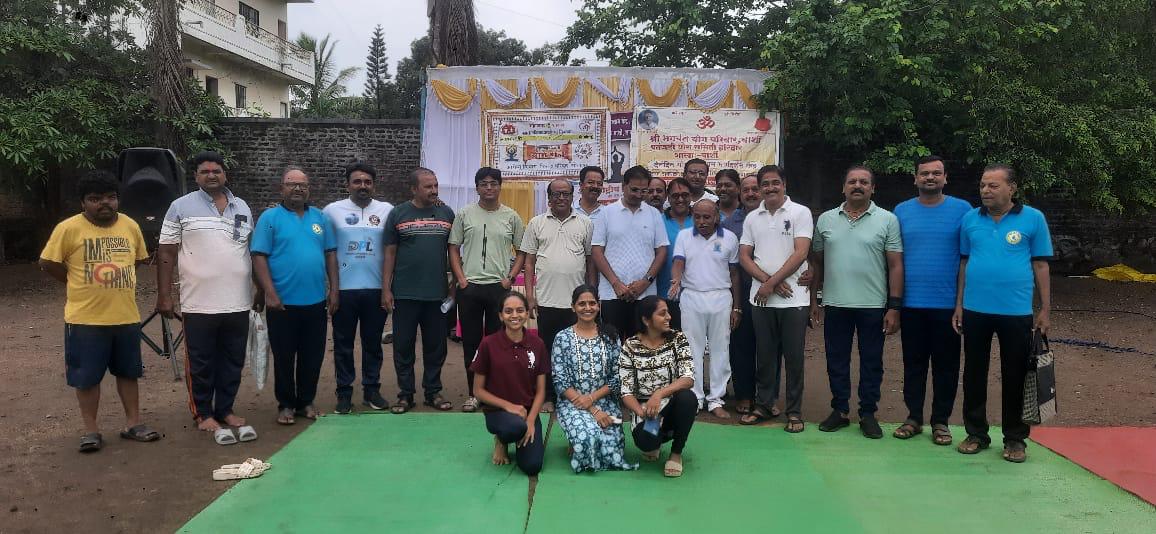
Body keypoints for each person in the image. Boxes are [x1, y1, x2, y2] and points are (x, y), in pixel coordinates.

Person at [39, 170, 162, 452]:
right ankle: (91, 431)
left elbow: (137, 260)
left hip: (126, 316)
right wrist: (73, 280)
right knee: (86, 378)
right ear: (83, 203)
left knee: (128, 373)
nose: (104, 203)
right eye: (95, 199)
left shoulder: (130, 226)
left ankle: (133, 424)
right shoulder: (68, 228)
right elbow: (48, 262)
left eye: (110, 197)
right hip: (85, 320)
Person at [156, 151, 258, 445]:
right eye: (205, 171)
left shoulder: (242, 206)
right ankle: (203, 413)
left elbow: (250, 251)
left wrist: (259, 290)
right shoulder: (180, 207)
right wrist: (165, 295)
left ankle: (225, 409)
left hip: (238, 301)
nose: (211, 175)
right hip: (199, 303)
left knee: (232, 360)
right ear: (196, 176)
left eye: (216, 171)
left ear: (225, 174)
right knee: (200, 363)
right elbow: (166, 251)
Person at [954, 164, 1052, 463]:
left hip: (1016, 311)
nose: (986, 190)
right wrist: (959, 305)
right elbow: (964, 262)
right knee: (974, 373)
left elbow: (1041, 265)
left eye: (993, 185)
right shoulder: (970, 219)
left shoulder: (1033, 218)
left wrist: (1045, 309)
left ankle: (1015, 438)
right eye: (983, 185)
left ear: (1012, 188)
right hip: (975, 310)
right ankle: (976, 433)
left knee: (1016, 375)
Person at [810, 165, 903, 439]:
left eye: (864, 182)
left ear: (873, 188)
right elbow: (817, 262)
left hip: (873, 305)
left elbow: (896, 265)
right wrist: (814, 300)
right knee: (836, 360)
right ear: (843, 188)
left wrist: (894, 306)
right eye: (852, 182)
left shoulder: (887, 220)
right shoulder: (826, 219)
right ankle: (839, 409)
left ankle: (867, 413)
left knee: (872, 362)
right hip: (836, 303)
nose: (857, 186)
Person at [893, 155, 972, 445]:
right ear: (915, 178)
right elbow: (893, 259)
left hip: (947, 306)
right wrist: (894, 303)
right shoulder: (901, 212)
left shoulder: (963, 210)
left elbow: (965, 260)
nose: (930, 177)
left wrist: (961, 304)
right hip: (911, 304)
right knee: (913, 364)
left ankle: (941, 421)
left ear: (945, 178)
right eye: (924, 173)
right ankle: (913, 417)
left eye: (936, 173)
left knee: (946, 367)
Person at [251, 166, 339, 425]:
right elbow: (259, 256)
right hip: (282, 303)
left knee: (313, 356)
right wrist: (269, 293)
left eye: (303, 185)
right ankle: (286, 404)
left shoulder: (320, 217)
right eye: (292, 184)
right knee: (284, 357)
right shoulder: (270, 217)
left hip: (315, 301)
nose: (298, 188)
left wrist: (334, 290)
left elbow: (330, 254)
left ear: (309, 189)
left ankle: (306, 402)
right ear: (282, 188)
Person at [738, 166, 813, 432]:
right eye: (765, 184)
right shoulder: (752, 218)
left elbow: (801, 253)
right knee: (765, 356)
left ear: (784, 184)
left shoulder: (800, 212)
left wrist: (771, 283)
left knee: (794, 358)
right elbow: (744, 256)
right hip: (761, 299)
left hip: (794, 298)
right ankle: (764, 405)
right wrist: (767, 282)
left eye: (775, 183)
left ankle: (794, 412)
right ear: (760, 188)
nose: (770, 188)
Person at [449, 167, 526, 413]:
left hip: (498, 289)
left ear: (500, 186)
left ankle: (495, 393)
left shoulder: (511, 216)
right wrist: (461, 279)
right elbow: (453, 248)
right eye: (484, 184)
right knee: (471, 343)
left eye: (493, 183)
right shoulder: (465, 214)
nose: (489, 188)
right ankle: (474, 394)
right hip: (470, 288)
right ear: (477, 188)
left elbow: (522, 251)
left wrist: (510, 278)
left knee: (499, 343)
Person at [382, 168, 455, 413]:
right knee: (403, 346)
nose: (434, 190)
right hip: (405, 294)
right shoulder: (398, 214)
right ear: (413, 189)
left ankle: (433, 392)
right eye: (428, 186)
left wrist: (454, 286)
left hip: (437, 295)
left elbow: (454, 252)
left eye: (436, 185)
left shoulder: (447, 213)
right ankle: (405, 395)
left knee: (436, 347)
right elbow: (389, 253)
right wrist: (386, 289)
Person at [323, 161, 394, 414]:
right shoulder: (331, 211)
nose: (362, 186)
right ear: (347, 185)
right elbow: (328, 251)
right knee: (343, 344)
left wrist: (387, 289)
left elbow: (391, 251)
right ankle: (344, 393)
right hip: (343, 291)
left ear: (374, 185)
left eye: (367, 182)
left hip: (376, 290)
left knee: (372, 343)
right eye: (357, 181)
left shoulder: (387, 210)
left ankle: (371, 390)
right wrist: (332, 289)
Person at [521, 178, 595, 413]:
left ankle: (574, 397)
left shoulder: (585, 223)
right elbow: (529, 262)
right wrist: (530, 296)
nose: (561, 198)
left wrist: (592, 296)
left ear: (573, 196)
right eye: (556, 194)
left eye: (565, 194)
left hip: (576, 304)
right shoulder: (536, 223)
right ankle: (548, 397)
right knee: (548, 353)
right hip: (546, 301)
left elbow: (590, 261)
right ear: (549, 197)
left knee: (576, 353)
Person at [552, 285, 637, 473]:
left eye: (592, 303)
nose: (587, 308)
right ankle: (578, 438)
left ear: (598, 306)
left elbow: (617, 377)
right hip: (572, 403)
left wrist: (593, 399)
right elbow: (560, 380)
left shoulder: (610, 336)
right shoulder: (562, 338)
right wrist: (591, 408)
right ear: (573, 307)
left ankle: (584, 435)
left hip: (605, 402)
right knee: (588, 439)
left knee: (613, 452)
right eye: (582, 304)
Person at [669, 199, 741, 417]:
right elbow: (678, 263)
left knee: (720, 349)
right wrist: (676, 279)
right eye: (697, 217)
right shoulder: (684, 236)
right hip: (692, 296)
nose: (702, 221)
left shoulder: (729, 238)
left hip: (721, 297)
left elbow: (734, 273)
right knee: (692, 350)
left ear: (716, 217)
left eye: (707, 217)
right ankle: (695, 398)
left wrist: (737, 307)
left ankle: (716, 400)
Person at [470, 292, 549, 477]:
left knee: (532, 466)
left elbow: (541, 391)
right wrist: (509, 406)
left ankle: (521, 434)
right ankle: (501, 440)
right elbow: (478, 391)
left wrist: (531, 421)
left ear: (527, 313)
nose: (515, 315)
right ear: (500, 316)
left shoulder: (537, 344)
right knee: (514, 427)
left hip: (527, 412)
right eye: (508, 311)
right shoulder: (488, 344)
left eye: (520, 310)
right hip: (499, 412)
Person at [619, 296, 696, 478]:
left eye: (668, 312)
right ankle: (655, 440)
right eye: (662, 313)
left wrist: (659, 394)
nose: (669, 317)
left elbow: (688, 378)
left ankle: (676, 453)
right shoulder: (630, 346)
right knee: (647, 442)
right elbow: (626, 392)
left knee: (688, 398)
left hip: (672, 405)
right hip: (647, 412)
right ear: (646, 320)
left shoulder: (677, 338)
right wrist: (642, 412)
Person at [591, 165, 669, 340]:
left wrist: (645, 281)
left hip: (645, 294)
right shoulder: (606, 213)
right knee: (613, 345)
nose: (639, 195)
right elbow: (596, 251)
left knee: (644, 345)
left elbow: (662, 251)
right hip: (612, 293)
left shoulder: (654, 214)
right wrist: (616, 283)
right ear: (623, 186)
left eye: (644, 191)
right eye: (634, 190)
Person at [721, 172, 758, 414]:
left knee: (769, 346)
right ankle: (744, 394)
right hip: (741, 289)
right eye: (746, 189)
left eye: (755, 188)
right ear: (740, 193)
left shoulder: (778, 217)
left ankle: (766, 395)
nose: (751, 193)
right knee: (740, 344)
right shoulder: (729, 224)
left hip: (772, 289)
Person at [656, 178, 693, 330]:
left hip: (695, 295)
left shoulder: (701, 220)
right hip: (664, 294)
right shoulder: (658, 221)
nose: (680, 199)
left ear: (691, 196)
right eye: (675, 196)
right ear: (668, 197)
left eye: (685, 195)